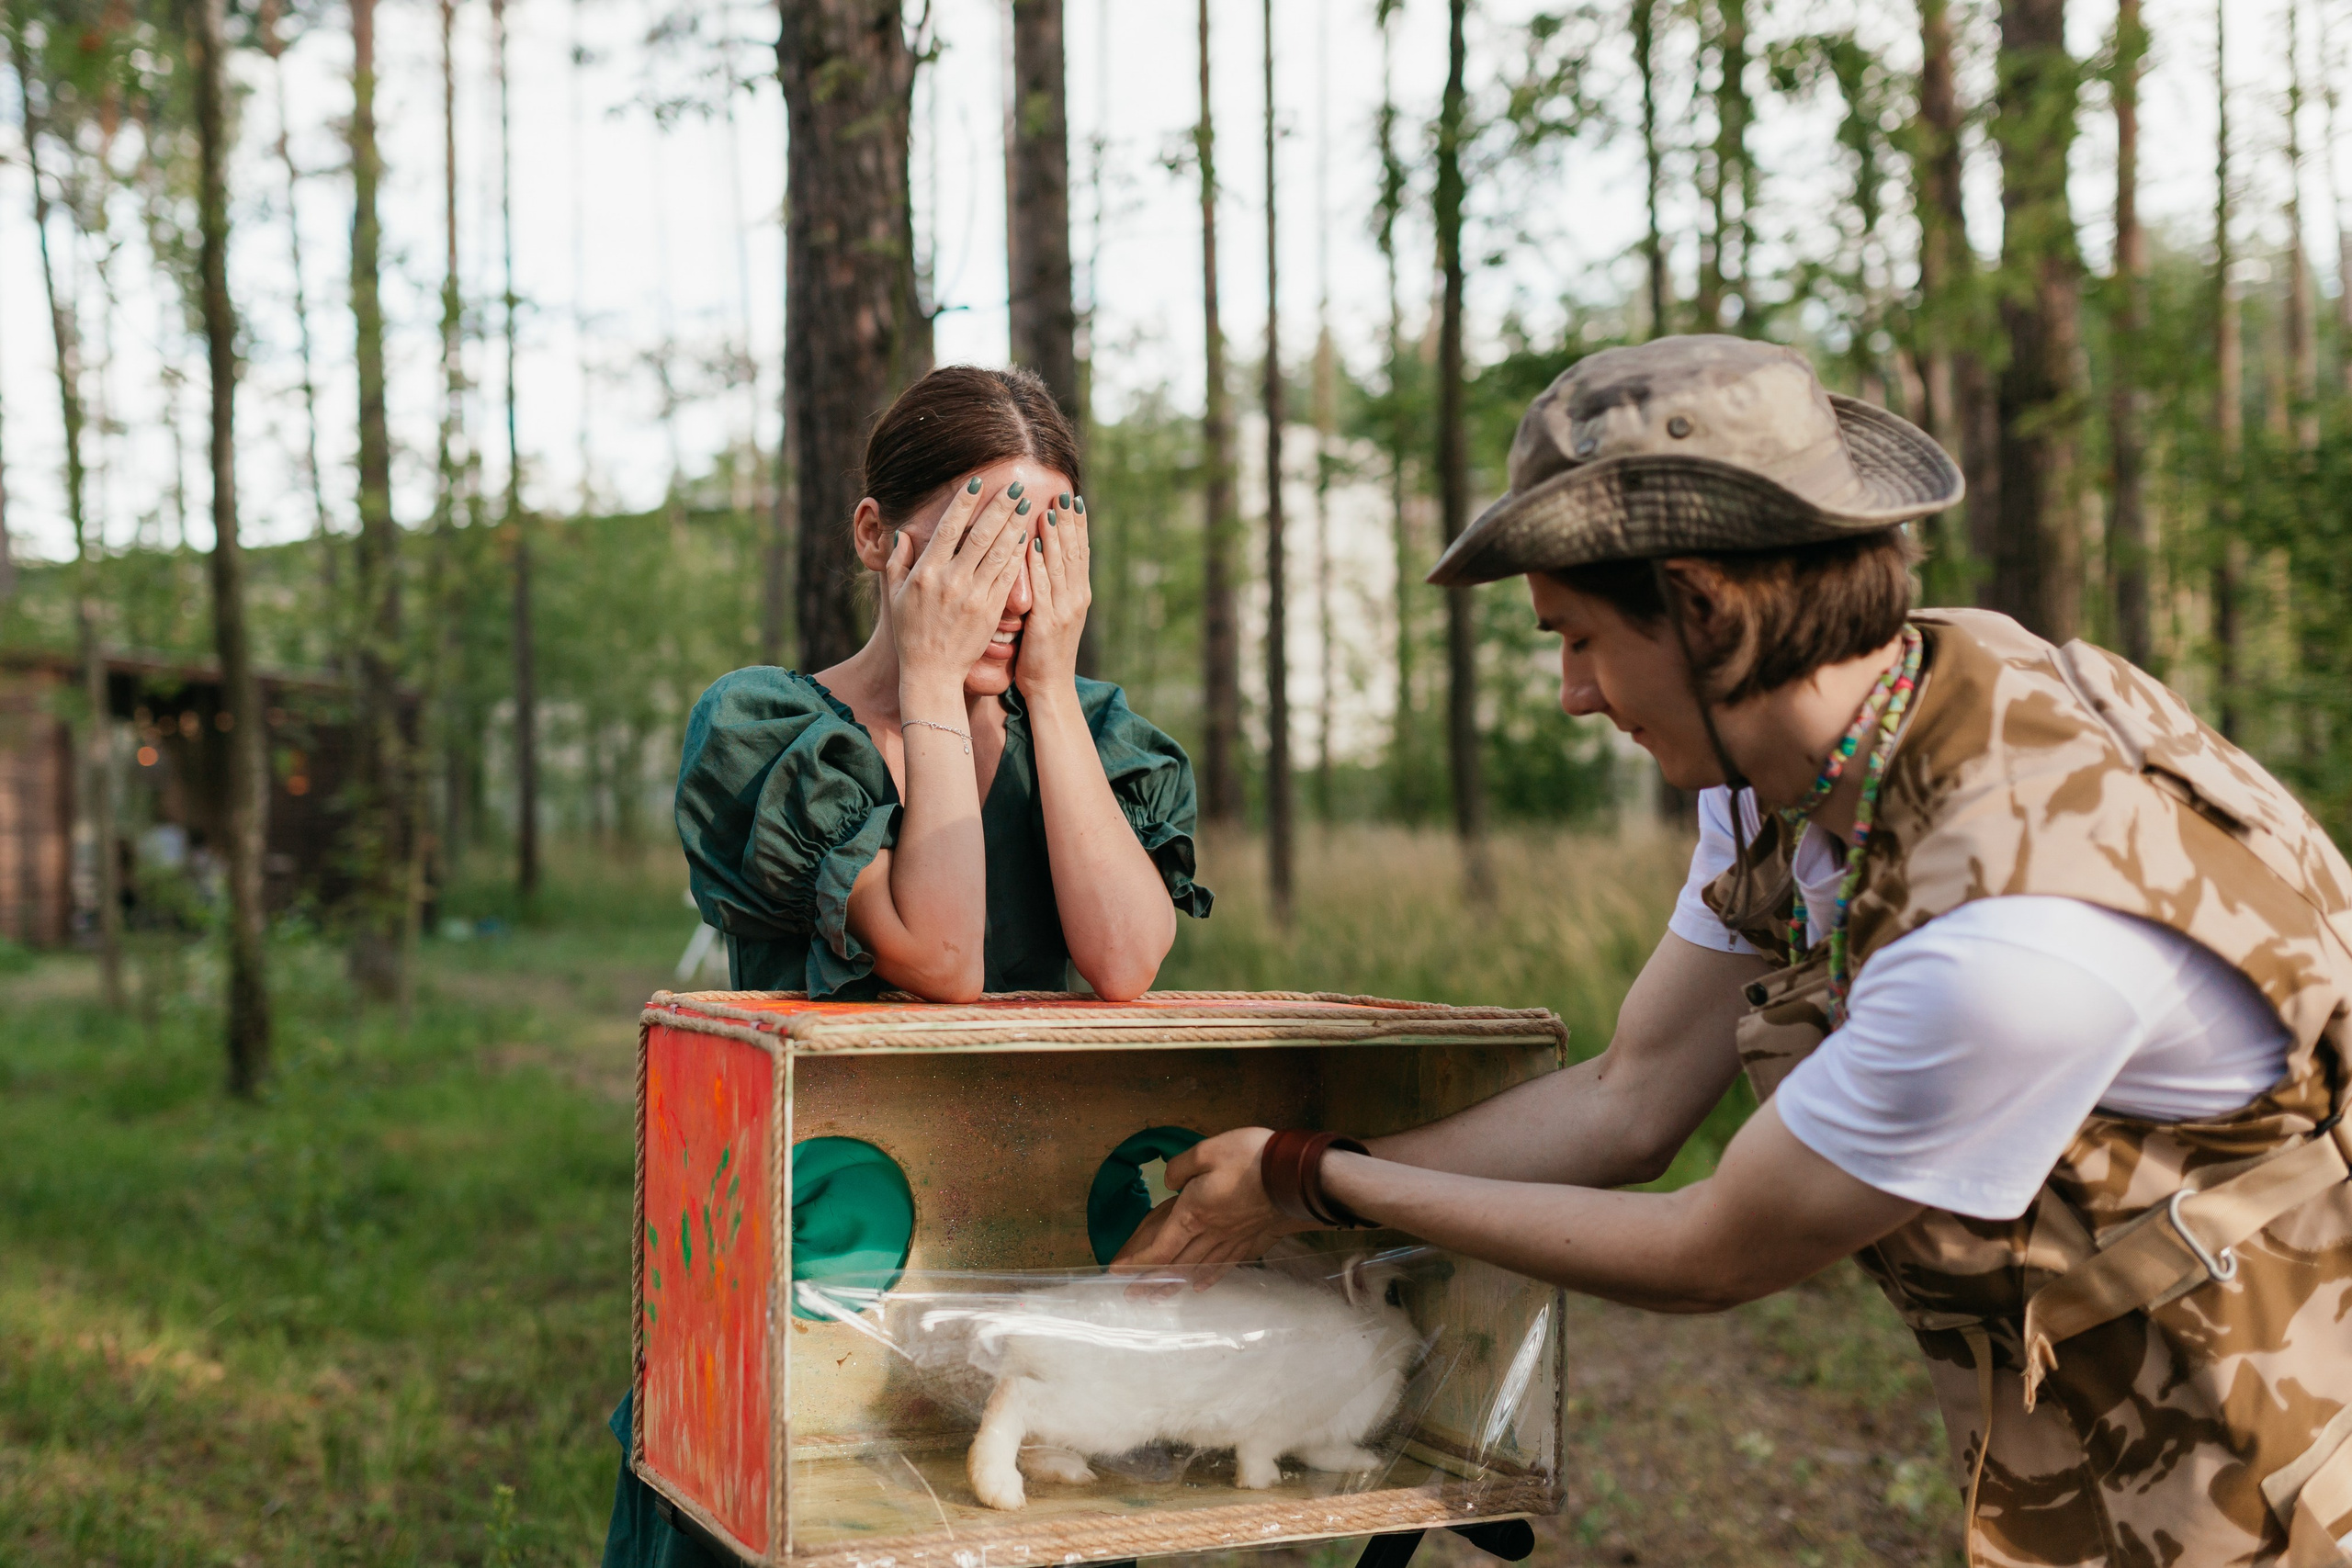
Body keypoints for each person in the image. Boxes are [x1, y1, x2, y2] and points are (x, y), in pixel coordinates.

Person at [1125, 335, 2352, 1567]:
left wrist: (1317, 1179)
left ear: (1705, 608)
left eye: (1580, 639)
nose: (1572, 695)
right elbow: (1632, 1098)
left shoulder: (2011, 942)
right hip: (2096, 1417)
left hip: (2269, 1461)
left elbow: (1708, 1252)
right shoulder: (1824, 749)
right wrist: (1300, 1185)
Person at [605, 365, 1212, 1566]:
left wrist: (1044, 689)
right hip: (829, 1261)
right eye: (975, 548)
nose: (1005, 593)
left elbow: (1130, 959)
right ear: (877, 538)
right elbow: (939, 955)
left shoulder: (1095, 741)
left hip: (1050, 1253)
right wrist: (931, 683)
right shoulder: (767, 732)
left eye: (1038, 551)